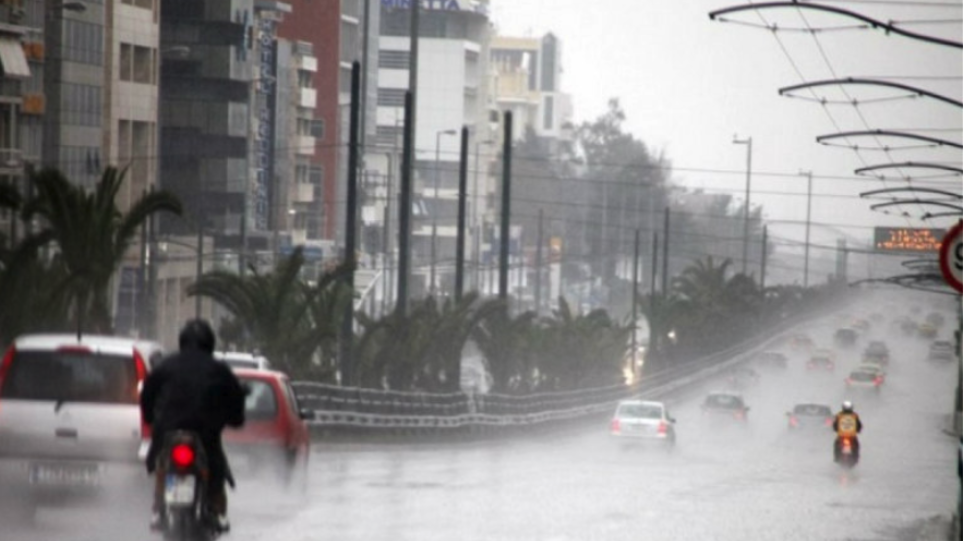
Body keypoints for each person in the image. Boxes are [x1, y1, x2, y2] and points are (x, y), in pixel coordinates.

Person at [140, 319, 247, 532]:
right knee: (216, 465)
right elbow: (236, 404)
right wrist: (234, 418)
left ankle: (157, 507)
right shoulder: (219, 370)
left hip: (167, 431)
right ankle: (216, 509)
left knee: (160, 459)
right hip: (205, 433)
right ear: (209, 343)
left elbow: (147, 395)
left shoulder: (166, 365)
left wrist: (152, 419)